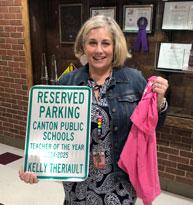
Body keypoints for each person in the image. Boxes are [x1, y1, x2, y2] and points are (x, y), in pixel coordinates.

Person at [19, 15, 169, 204]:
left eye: (105, 43)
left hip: (119, 181)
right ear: (83, 46)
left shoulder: (134, 80)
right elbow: (49, 132)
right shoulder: (68, 82)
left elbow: (152, 126)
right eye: (92, 43)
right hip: (78, 182)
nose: (99, 50)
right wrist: (32, 161)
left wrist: (159, 103)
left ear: (115, 47)